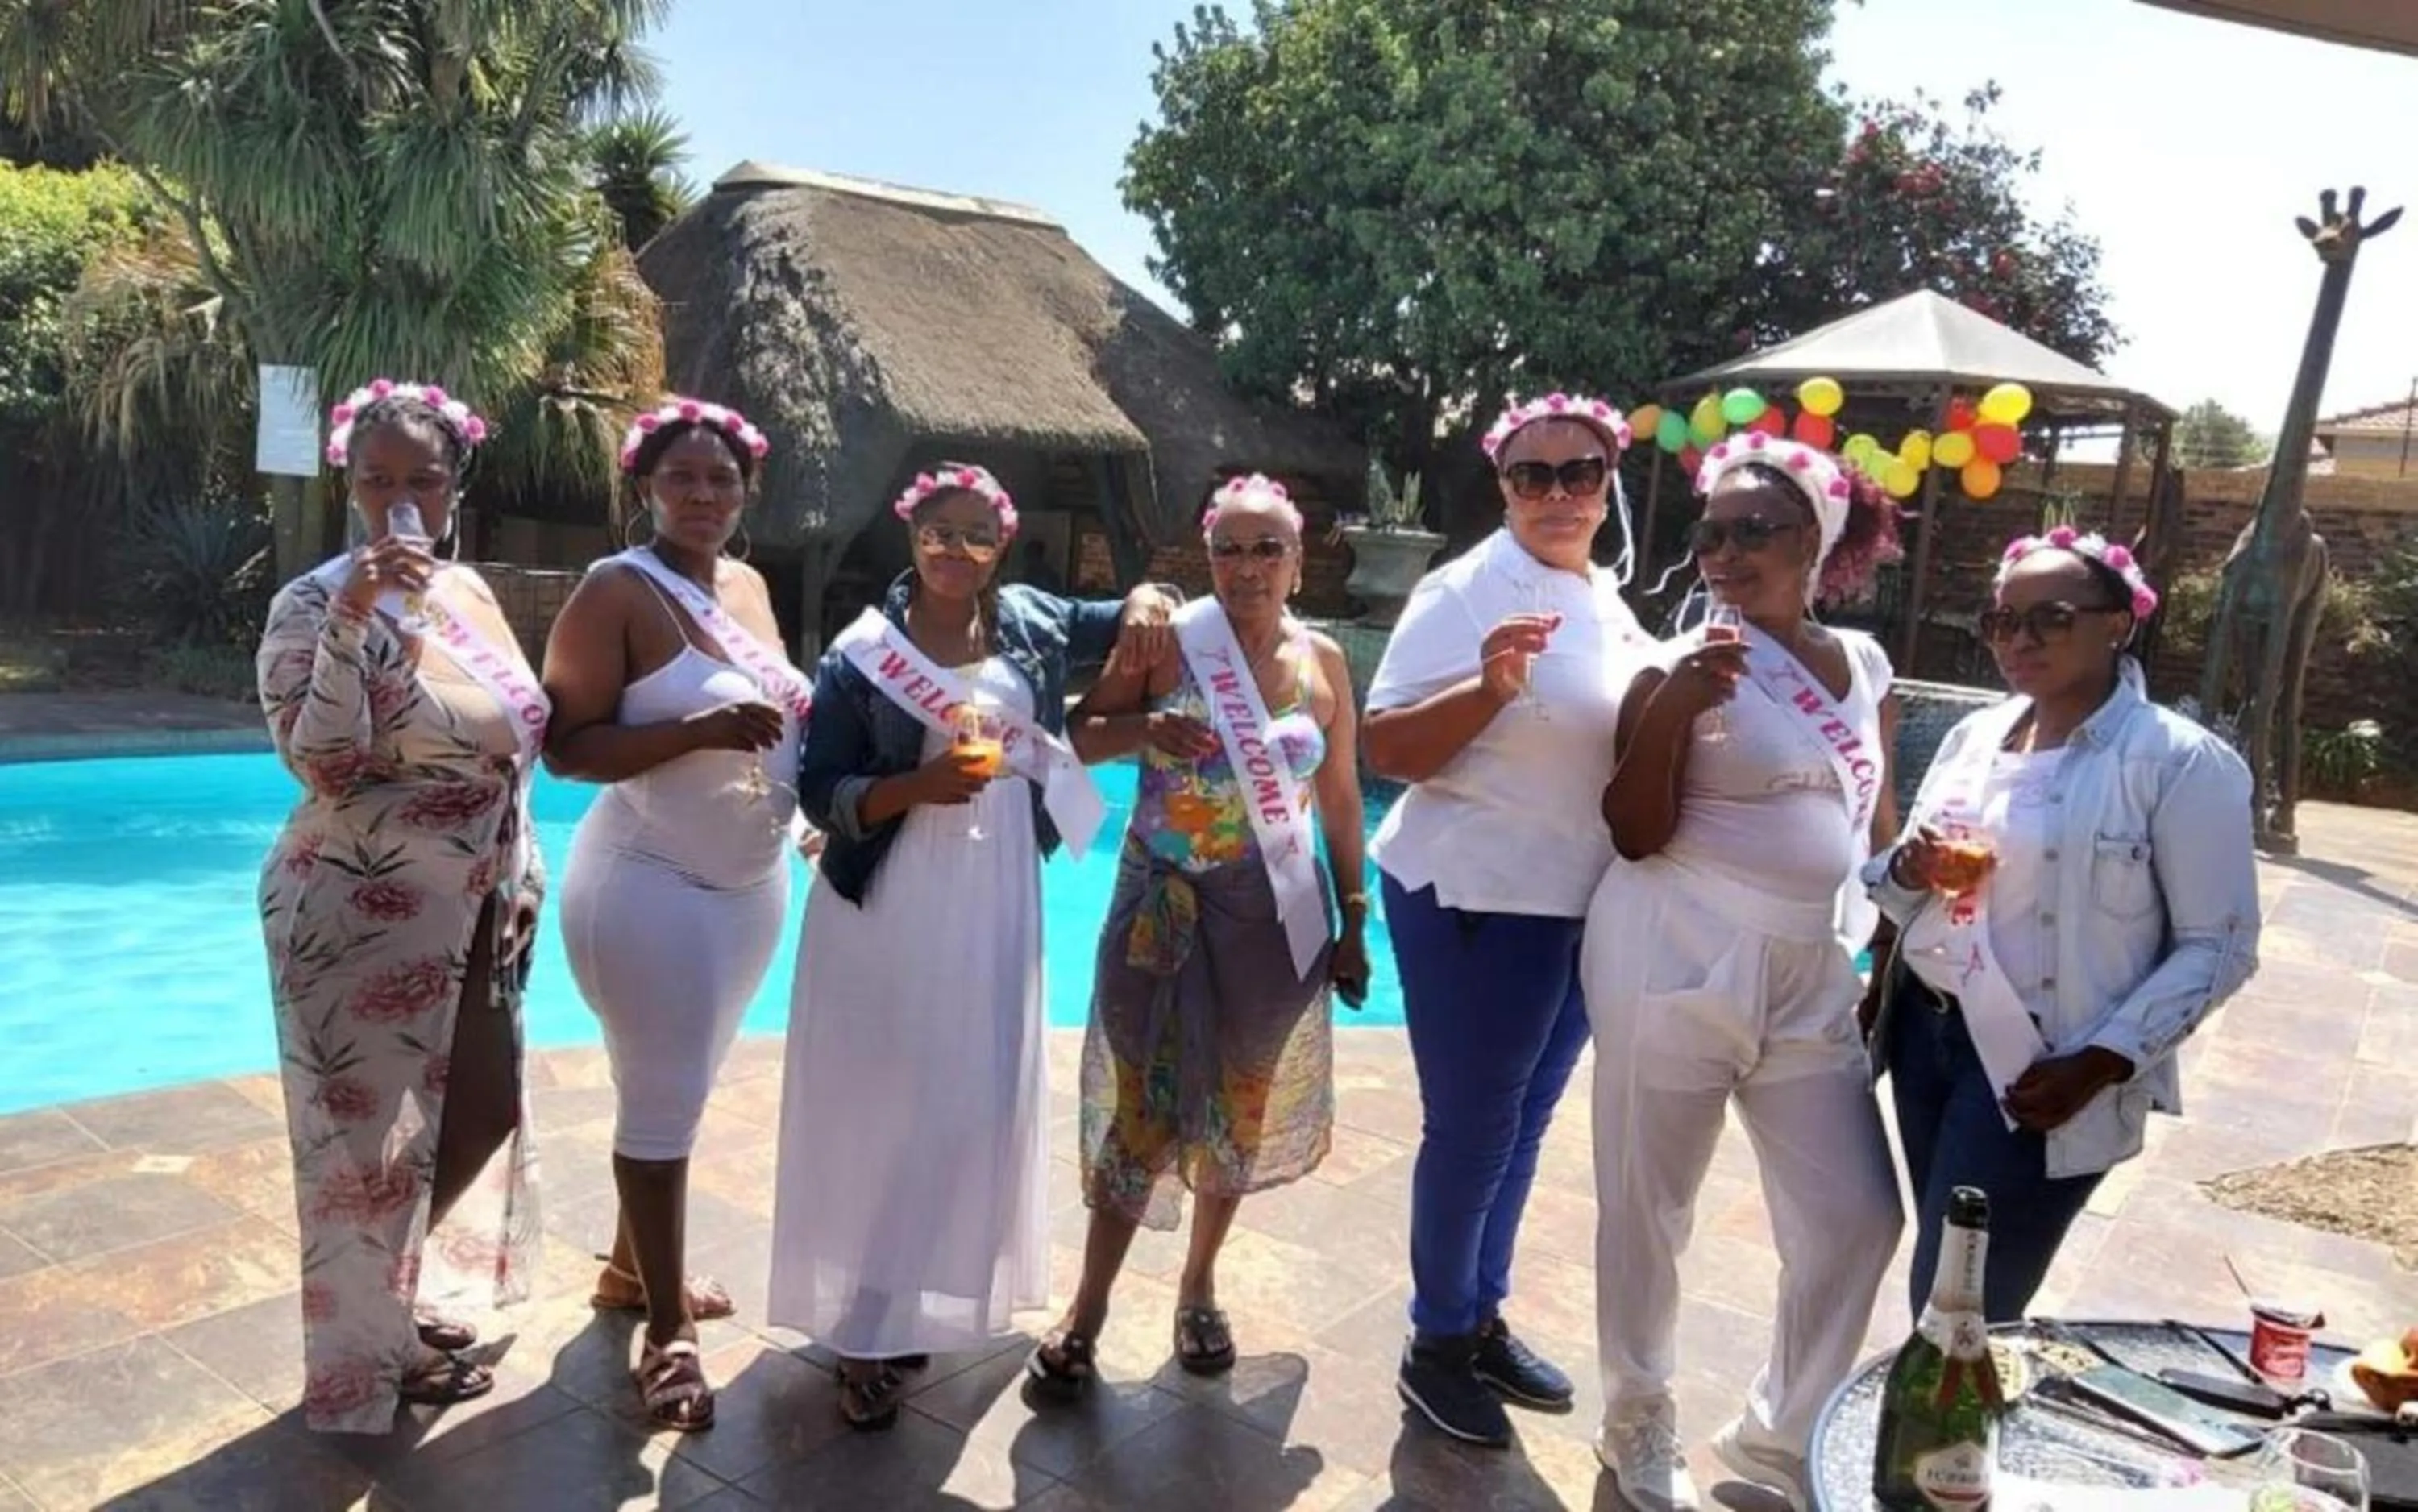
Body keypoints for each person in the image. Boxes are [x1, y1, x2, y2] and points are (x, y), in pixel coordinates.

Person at [766, 463, 1179, 1430]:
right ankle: (864, 1324)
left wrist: (1155, 591)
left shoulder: (1031, 619)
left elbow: (1129, 614)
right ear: (911, 536)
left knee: (969, 1096)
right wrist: (915, 788)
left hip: (996, 894)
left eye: (976, 535)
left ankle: (918, 1287)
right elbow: (820, 787)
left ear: (1003, 544)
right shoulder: (862, 654)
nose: (956, 549)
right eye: (938, 532)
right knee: (886, 1099)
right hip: (891, 896)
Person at [1587, 431, 1906, 1510]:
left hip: (1811, 970)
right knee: (1649, 1207)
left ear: (1816, 538)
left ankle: (1781, 1437)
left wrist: (1901, 919)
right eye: (1710, 533)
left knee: (1860, 1216)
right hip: (1674, 947)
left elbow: (1874, 819)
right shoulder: (1666, 662)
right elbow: (1632, 830)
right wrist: (1677, 702)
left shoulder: (1864, 663)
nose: (1723, 554)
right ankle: (1637, 1418)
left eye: (1752, 532)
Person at [1868, 526, 2259, 1323]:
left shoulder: (2178, 762)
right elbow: (1907, 877)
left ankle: (1933, 1443)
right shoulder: (1975, 735)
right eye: (2003, 621)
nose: (2019, 638)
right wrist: (1912, 872)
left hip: (2039, 1066)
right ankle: (1941, 1438)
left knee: (1959, 1303)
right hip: (1928, 1037)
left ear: (2119, 622)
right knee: (1950, 1273)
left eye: (2049, 617)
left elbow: (2220, 945)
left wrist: (2103, 1061)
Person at [1032, 475, 1371, 1392]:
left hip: (1270, 917)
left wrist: (1354, 913)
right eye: (1231, 548)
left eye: (1269, 549)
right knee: (1143, 1104)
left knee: (1236, 1104)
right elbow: (1083, 732)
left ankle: (1199, 1288)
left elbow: (1338, 795)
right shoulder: (1171, 645)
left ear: (1299, 564)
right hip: (1159, 909)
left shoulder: (1325, 664)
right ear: (1206, 559)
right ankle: (1088, 1309)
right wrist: (1144, 725)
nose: (1248, 566)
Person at [255, 379, 548, 1433]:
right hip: (350, 913)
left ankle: (392, 1299)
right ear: (351, 485)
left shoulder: (473, 594)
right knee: (362, 1150)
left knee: (482, 1108)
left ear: (454, 485)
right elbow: (323, 760)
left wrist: (526, 872)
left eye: (423, 479)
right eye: (378, 481)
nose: (402, 502)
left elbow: (516, 748)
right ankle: (370, 1354)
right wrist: (349, 617)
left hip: (474, 906)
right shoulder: (311, 601)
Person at [1361, 393, 1654, 1448]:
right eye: (1535, 476)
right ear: (1503, 486)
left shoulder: (1607, 601)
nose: (1560, 493)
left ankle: (1478, 1315)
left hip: (1574, 909)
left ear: (1609, 478)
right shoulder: (1464, 590)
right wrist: (1487, 689)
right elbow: (1384, 748)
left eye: (1581, 472)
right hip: (1479, 899)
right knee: (1474, 1129)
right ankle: (1434, 1344)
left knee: (1520, 1130)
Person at [542, 397, 812, 1431]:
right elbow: (566, 749)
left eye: (722, 480)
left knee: (679, 1089)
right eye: (683, 479)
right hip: (648, 885)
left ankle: (629, 1272)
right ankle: (668, 1334)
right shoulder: (617, 590)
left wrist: (810, 819)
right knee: (660, 1111)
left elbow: (781, 725)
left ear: (747, 492)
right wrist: (695, 728)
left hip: (748, 889)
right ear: (646, 488)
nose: (704, 496)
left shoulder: (745, 584)